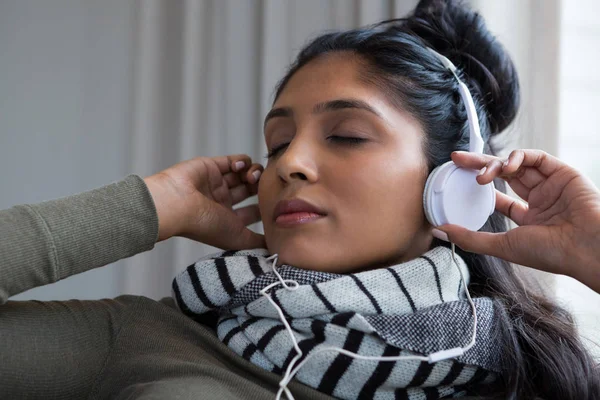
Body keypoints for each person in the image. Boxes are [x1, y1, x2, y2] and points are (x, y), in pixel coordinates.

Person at [1, 1, 599, 399]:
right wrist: (152, 207)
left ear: (454, 187)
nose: (288, 164)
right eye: (277, 142)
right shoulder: (152, 336)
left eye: (346, 136)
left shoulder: (535, 377)